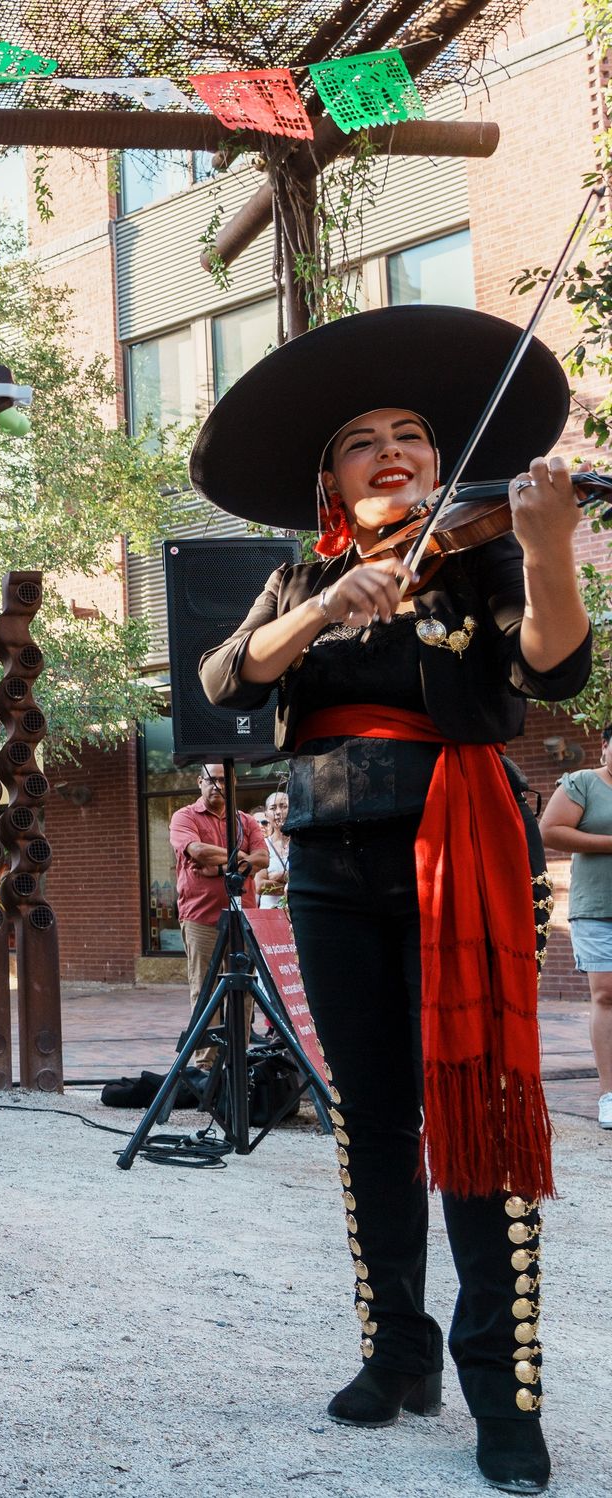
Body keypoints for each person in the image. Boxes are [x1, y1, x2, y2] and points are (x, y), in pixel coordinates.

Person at [194, 304, 588, 1494]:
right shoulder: (297, 576)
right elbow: (225, 680)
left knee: (474, 1103)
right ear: (328, 477)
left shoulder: (481, 557)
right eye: (361, 439)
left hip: (455, 841)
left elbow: (553, 664)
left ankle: (499, 1394)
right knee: (369, 1117)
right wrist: (323, 607)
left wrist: (551, 545)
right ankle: (394, 1351)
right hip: (327, 856)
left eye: (410, 432)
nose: (392, 451)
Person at [168, 764, 269, 1062]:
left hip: (242, 917)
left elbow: (262, 858)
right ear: (200, 782)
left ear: (233, 783)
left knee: (243, 989)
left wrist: (218, 869)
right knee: (205, 990)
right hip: (201, 917)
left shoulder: (246, 820)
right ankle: (205, 1065)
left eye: (224, 780)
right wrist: (239, 857)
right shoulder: (184, 817)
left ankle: (237, 1059)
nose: (217, 785)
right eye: (211, 779)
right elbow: (197, 851)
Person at [538, 724, 612, 1129]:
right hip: (599, 908)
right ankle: (608, 1095)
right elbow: (550, 831)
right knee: (606, 995)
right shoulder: (583, 782)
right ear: (604, 746)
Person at [257, 790, 292, 908]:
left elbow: (309, 879)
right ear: (266, 815)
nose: (278, 812)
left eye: (283, 806)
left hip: (296, 914)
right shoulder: (262, 845)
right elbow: (260, 886)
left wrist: (279, 876)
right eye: (273, 808)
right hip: (269, 914)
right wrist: (292, 887)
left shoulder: (301, 844)